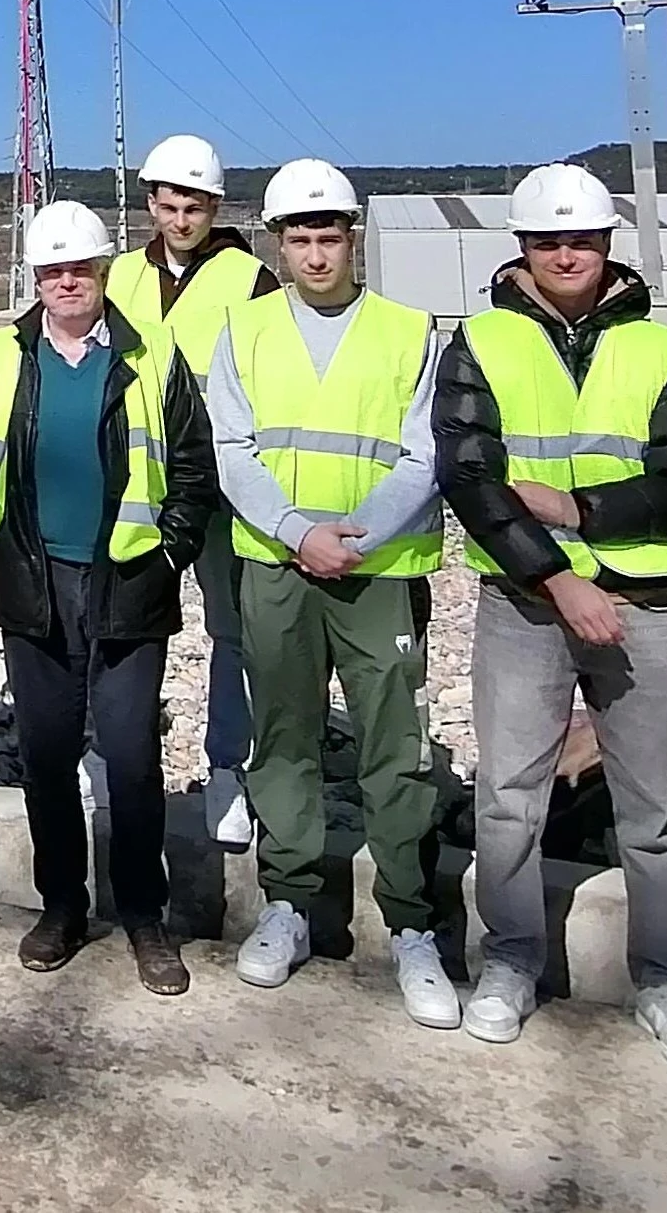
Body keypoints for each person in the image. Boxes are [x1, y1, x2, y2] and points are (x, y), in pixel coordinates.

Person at [434, 163, 667, 1071]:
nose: (567, 254)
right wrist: (560, 578)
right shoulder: (481, 342)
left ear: (608, 246)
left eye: (584, 240)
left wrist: (580, 509)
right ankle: (511, 961)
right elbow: (472, 480)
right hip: (526, 605)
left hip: (640, 607)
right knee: (510, 799)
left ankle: (663, 979)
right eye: (550, 240)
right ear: (521, 247)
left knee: (652, 813)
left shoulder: (659, 350)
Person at [0, 201, 218, 995]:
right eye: (53, 271)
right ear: (36, 280)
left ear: (103, 272)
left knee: (131, 758)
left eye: (81, 269)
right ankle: (61, 905)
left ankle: (142, 914)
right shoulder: (1, 355)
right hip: (34, 582)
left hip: (128, 580)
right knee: (48, 755)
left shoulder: (153, 353)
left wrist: (170, 550)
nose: (67, 282)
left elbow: (193, 465)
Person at [210, 159, 457, 1028]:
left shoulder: (409, 328)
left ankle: (412, 922)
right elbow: (232, 448)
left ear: (354, 236)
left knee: (394, 744)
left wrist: (357, 535)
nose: (316, 253)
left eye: (330, 235)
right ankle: (289, 902)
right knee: (285, 735)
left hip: (376, 569)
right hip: (280, 564)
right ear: (278, 243)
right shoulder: (244, 330)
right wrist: (296, 531)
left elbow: (427, 455)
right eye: (300, 237)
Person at [104, 132, 275, 852]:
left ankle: (228, 767)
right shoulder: (115, 274)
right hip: (138, 480)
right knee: (117, 624)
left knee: (231, 629)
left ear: (215, 207)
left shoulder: (249, 278)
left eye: (194, 206)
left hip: (219, 483)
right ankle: (107, 754)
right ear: (151, 203)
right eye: (169, 205)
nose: (180, 219)